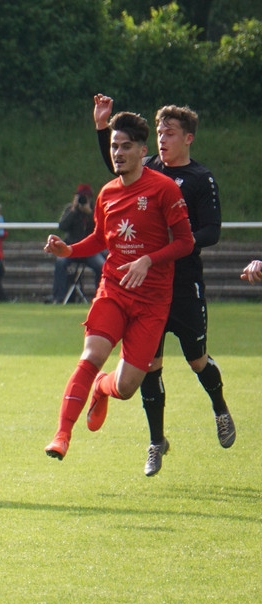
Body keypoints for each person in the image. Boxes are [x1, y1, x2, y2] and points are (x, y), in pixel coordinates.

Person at [44, 111, 195, 476]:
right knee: (93, 352)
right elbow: (100, 239)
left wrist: (147, 260)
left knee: (126, 388)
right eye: (114, 146)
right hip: (113, 288)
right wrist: (69, 250)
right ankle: (62, 434)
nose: (118, 153)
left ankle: (102, 388)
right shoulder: (107, 193)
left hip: (152, 300)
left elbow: (186, 243)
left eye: (126, 146)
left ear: (143, 150)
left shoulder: (164, 189)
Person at [94, 95, 235, 476]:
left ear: (188, 138)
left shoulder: (199, 179)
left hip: (184, 283)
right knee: (149, 366)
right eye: (158, 132)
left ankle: (220, 410)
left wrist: (174, 241)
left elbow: (211, 231)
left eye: (169, 133)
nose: (161, 139)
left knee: (196, 360)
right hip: (146, 288)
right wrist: (102, 128)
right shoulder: (148, 170)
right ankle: (156, 442)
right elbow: (115, 163)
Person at [50, 184, 104, 302]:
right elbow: (62, 226)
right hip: (71, 248)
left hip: (90, 250)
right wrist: (74, 211)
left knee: (102, 266)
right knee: (60, 263)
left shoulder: (95, 210)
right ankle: (58, 297)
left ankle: (100, 297)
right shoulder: (70, 209)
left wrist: (89, 213)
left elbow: (101, 228)